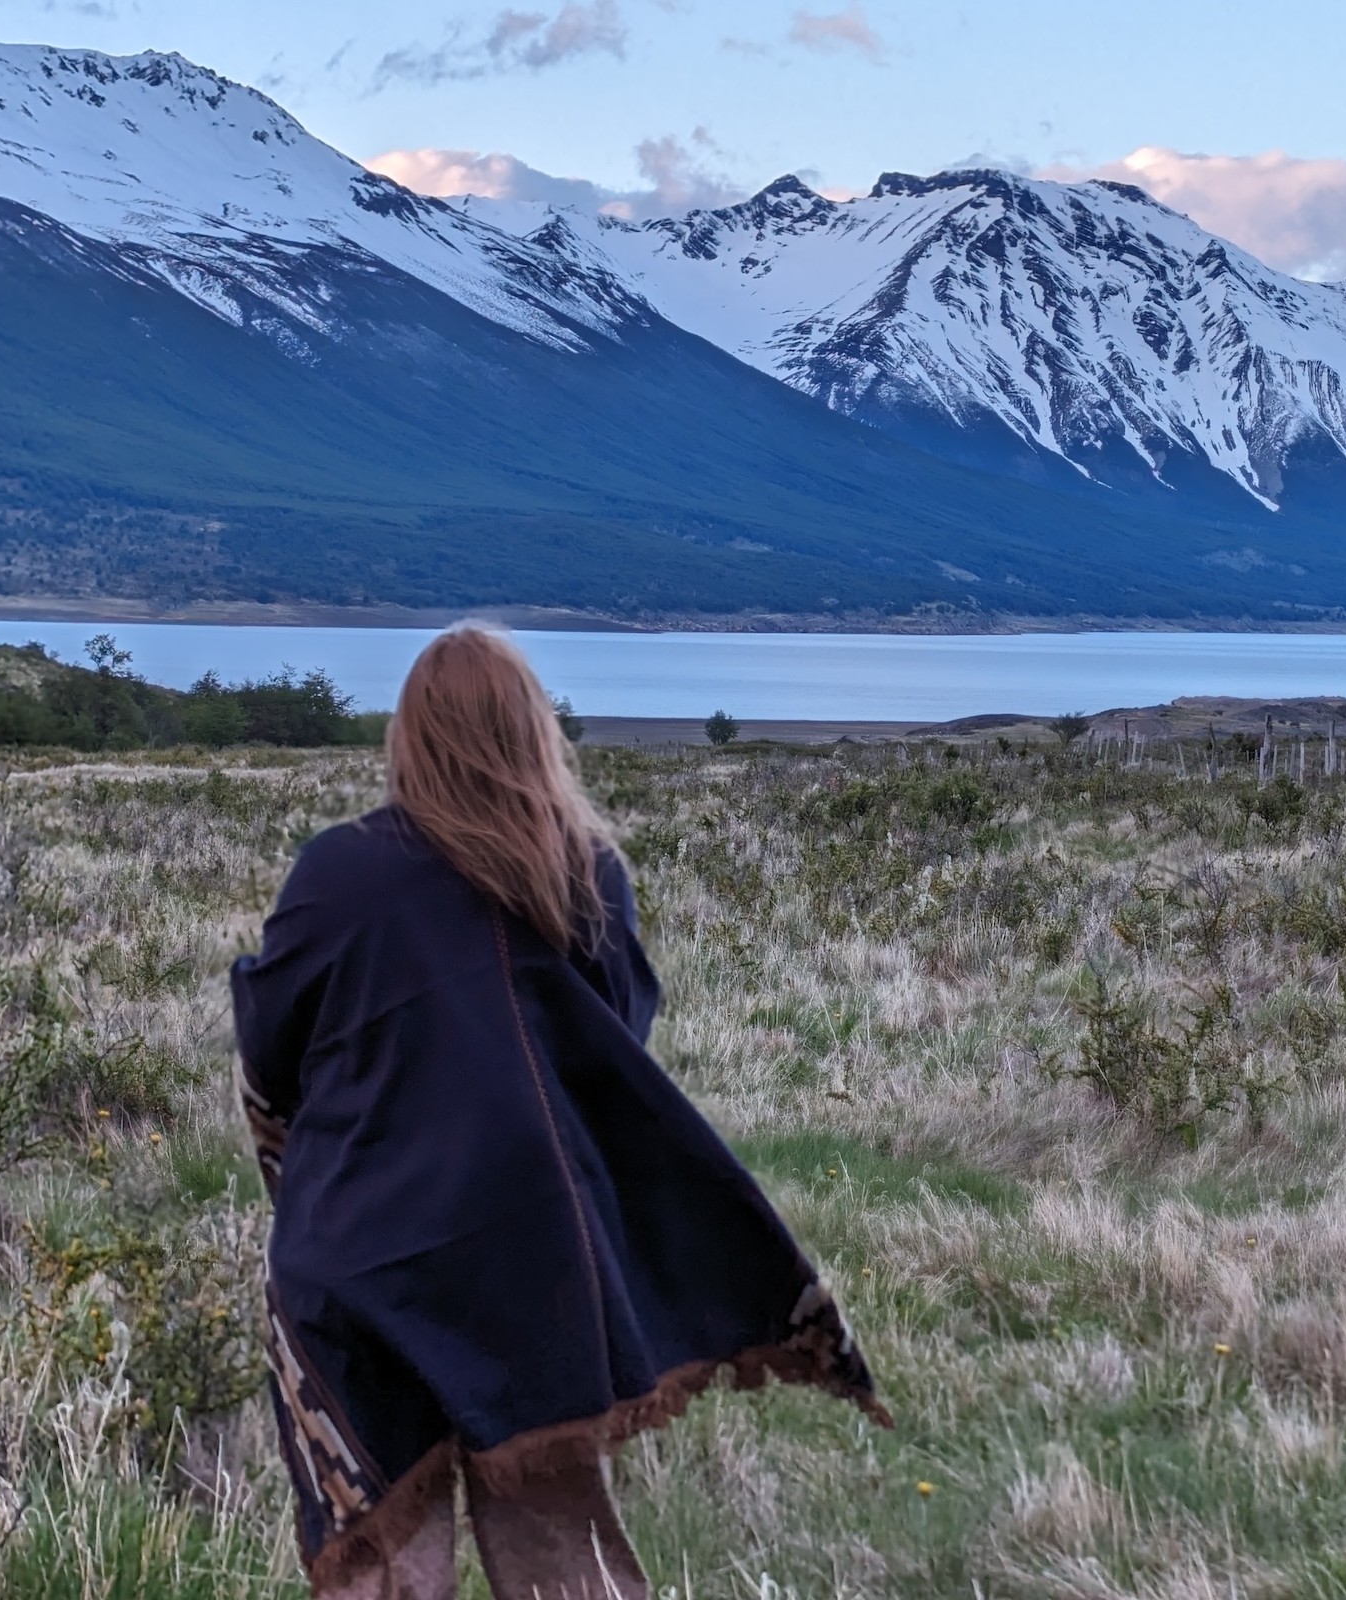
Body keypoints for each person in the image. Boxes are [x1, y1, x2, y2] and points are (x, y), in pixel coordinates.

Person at [232, 624, 887, 1599]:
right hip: (529, 1251)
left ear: (409, 736)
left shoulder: (340, 871)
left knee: (382, 1557)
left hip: (358, 1260)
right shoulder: (584, 875)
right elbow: (617, 1049)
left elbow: (269, 1048)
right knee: (560, 1546)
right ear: (535, 731)